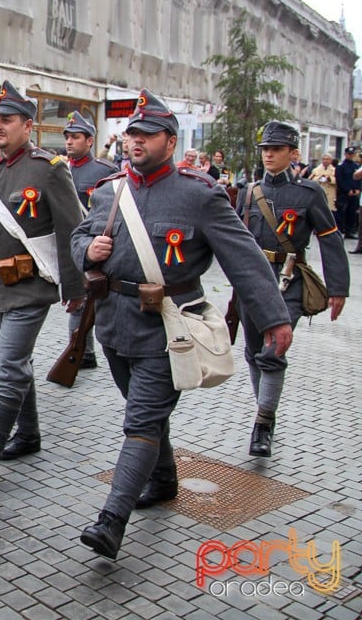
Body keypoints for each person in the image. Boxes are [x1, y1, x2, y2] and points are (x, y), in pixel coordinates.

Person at [70, 90, 293, 560]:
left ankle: (111, 520)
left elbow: (245, 260)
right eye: (131, 134)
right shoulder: (110, 190)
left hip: (168, 329)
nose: (135, 142)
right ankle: (165, 479)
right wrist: (87, 252)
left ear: (170, 143)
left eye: (146, 135)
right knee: (143, 409)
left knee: (140, 420)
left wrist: (274, 318)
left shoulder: (200, 194)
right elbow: (81, 236)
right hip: (113, 323)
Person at [0, 81, 85, 485]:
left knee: (7, 368)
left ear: (27, 126)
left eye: (7, 120)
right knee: (17, 364)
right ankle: (28, 433)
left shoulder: (49, 170)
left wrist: (76, 289)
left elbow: (73, 230)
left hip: (31, 287)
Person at [239, 121, 348, 457]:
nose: (268, 154)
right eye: (265, 149)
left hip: (289, 280)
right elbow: (237, 239)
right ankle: (265, 410)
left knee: (273, 352)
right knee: (254, 353)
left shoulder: (308, 193)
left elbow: (330, 239)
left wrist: (338, 288)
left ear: (292, 153)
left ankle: (263, 423)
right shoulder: (250, 191)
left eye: (276, 149)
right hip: (253, 281)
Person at [63, 111, 117, 370]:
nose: (69, 142)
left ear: (89, 141)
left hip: (92, 246)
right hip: (66, 245)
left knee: (81, 302)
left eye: (75, 137)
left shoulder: (105, 171)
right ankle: (84, 350)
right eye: (67, 137)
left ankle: (80, 351)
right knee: (75, 301)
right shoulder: (58, 167)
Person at [335, 146, 360, 238]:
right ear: (345, 154)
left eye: (352, 154)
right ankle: (339, 231)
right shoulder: (341, 166)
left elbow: (358, 179)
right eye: (349, 154)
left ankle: (349, 231)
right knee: (341, 212)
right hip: (344, 194)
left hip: (354, 193)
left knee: (352, 213)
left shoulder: (356, 166)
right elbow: (340, 180)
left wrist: (358, 189)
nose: (350, 156)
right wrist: (347, 190)